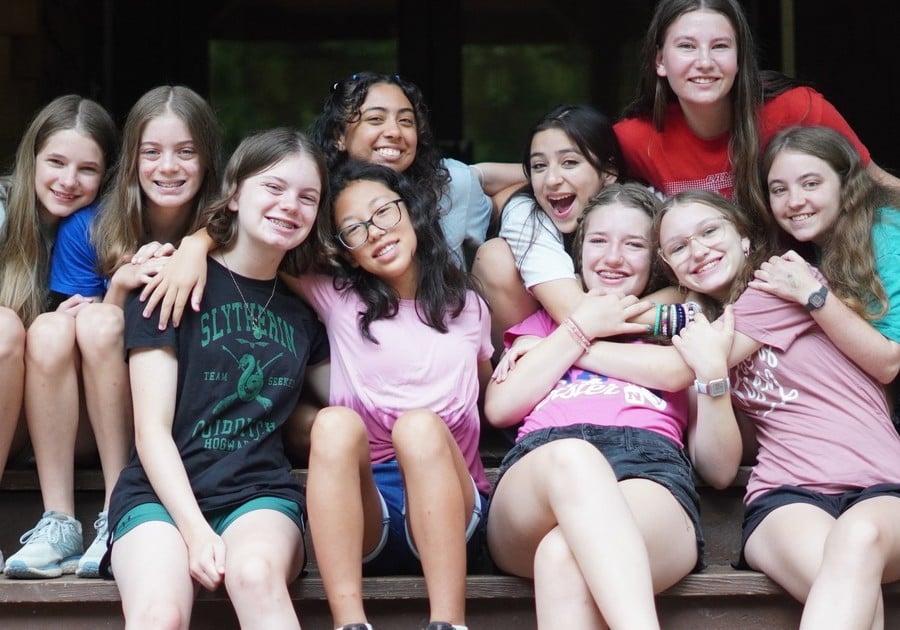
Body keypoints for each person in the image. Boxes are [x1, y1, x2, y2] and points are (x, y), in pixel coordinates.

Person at [582, 189, 900, 629]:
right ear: (671, 269)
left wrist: (568, 345)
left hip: (882, 488)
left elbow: (674, 370)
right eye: (678, 247)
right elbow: (718, 471)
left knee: (858, 542)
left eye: (710, 231)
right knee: (853, 594)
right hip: (786, 498)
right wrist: (712, 378)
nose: (698, 250)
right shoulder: (701, 337)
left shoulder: (781, 281)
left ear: (744, 237)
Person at [485, 183, 739, 628]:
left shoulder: (683, 336)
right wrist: (577, 326)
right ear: (579, 251)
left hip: (649, 473)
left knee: (562, 556)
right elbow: (500, 407)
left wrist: (711, 374)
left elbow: (718, 472)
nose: (613, 258)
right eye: (599, 241)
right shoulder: (544, 322)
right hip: (538, 479)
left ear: (658, 260)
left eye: (634, 244)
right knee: (573, 458)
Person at [106, 127, 329, 629]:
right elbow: (151, 431)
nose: (289, 206)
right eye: (273, 188)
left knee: (252, 574)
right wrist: (195, 530)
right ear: (233, 194)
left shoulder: (304, 314)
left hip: (259, 495)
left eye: (307, 197)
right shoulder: (171, 285)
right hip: (158, 496)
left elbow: (355, 397)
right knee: (159, 615)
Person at [5, 86, 223, 580]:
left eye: (185, 151)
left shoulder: (227, 224)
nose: (168, 166)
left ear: (209, 157)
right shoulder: (88, 227)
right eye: (152, 152)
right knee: (57, 327)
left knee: (94, 320)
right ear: (131, 162)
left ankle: (113, 509)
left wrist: (195, 245)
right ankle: (60, 521)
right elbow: (85, 339)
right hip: (90, 415)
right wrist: (121, 287)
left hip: (181, 412)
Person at [282, 160, 492, 630]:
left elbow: (491, 390)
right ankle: (350, 623)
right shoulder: (338, 298)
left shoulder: (469, 307)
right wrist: (196, 246)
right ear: (346, 252)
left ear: (412, 212)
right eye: (353, 229)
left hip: (454, 511)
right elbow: (264, 238)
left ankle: (449, 623)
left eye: (384, 213)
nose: (374, 233)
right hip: (368, 512)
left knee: (418, 427)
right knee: (332, 424)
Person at [615, 0, 900, 249]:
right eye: (687, 46)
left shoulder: (796, 108)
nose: (704, 62)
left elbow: (877, 185)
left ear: (740, 58)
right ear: (660, 60)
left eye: (720, 46)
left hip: (817, 273)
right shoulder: (635, 137)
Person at [0, 95, 118, 577]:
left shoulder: (101, 226)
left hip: (62, 419)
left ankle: (97, 518)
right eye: (55, 162)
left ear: (108, 174)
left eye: (87, 169)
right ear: (31, 157)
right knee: (6, 326)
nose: (68, 181)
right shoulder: (4, 210)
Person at [471, 104, 676, 352]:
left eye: (569, 162)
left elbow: (690, 285)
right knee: (494, 256)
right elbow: (573, 310)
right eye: (539, 166)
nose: (551, 180)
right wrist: (667, 315)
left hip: (615, 345)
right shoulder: (525, 212)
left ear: (608, 171)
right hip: (545, 342)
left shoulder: (645, 205)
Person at [755, 125, 900, 388]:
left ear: (846, 185)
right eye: (779, 190)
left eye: (811, 184)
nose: (795, 201)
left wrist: (813, 294)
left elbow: (891, 363)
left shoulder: (887, 235)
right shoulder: (818, 239)